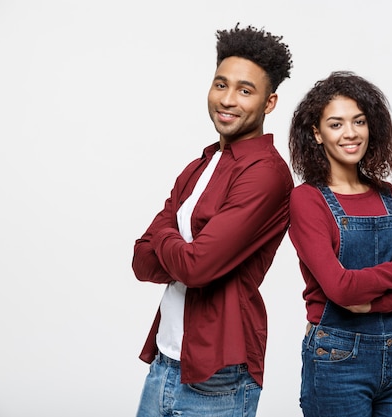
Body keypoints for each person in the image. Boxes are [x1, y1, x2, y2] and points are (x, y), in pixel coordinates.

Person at [132, 24, 293, 417]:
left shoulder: (265, 174)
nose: (228, 100)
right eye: (221, 84)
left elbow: (197, 265)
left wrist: (167, 236)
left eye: (245, 90)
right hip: (165, 361)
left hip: (218, 377)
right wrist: (181, 248)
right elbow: (141, 260)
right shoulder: (199, 165)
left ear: (269, 103)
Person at [288, 71, 392, 417]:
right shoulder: (307, 200)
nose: (351, 133)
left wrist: (371, 306)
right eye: (336, 124)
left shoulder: (390, 196)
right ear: (317, 134)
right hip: (336, 360)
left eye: (359, 121)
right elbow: (341, 289)